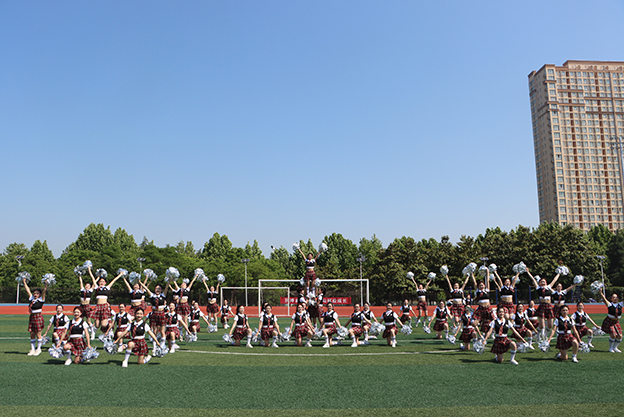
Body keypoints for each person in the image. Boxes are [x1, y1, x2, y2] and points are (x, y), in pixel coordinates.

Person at [87, 266, 123, 339]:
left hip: (104, 307)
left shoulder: (107, 287)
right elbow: (93, 278)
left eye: (103, 281)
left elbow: (114, 280)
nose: (101, 282)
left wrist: (120, 275)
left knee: (103, 325)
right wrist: (89, 270)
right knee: (97, 325)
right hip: (98, 307)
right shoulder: (97, 287)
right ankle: (93, 331)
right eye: (100, 281)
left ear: (105, 282)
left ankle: (108, 332)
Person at [527, 267, 561, 341]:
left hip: (549, 306)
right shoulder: (538, 288)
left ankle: (545, 336)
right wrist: (528, 272)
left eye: (544, 281)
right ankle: (538, 335)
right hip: (542, 306)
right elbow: (533, 280)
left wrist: (559, 273)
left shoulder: (549, 287)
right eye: (541, 282)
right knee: (541, 325)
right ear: (539, 283)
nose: (543, 283)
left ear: (546, 282)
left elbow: (554, 280)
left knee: (550, 325)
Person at [23, 279, 48, 356]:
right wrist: (24, 282)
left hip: (38, 316)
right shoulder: (32, 299)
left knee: (38, 333)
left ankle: (39, 349)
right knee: (32, 333)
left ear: (39, 294)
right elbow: (27, 290)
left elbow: (44, 291)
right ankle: (32, 349)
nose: (35, 294)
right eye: (34, 293)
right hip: (32, 317)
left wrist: (46, 284)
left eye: (37, 293)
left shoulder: (41, 299)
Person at [598, 288, 622, 353]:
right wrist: (601, 292)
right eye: (614, 297)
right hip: (609, 321)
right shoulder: (610, 304)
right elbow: (604, 299)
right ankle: (610, 348)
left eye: (616, 297)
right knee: (613, 335)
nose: (615, 298)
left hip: (616, 321)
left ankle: (615, 347)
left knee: (620, 336)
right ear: (611, 299)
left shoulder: (620, 304)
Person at [77, 273, 95, 338]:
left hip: (87, 306)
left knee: (88, 320)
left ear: (90, 287)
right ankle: (82, 332)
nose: (86, 286)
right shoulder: (82, 290)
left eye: (88, 285)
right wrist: (80, 276)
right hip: (81, 306)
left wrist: (98, 277)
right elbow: (81, 282)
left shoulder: (90, 291)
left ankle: (92, 332)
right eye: (86, 285)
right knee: (81, 320)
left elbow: (94, 283)